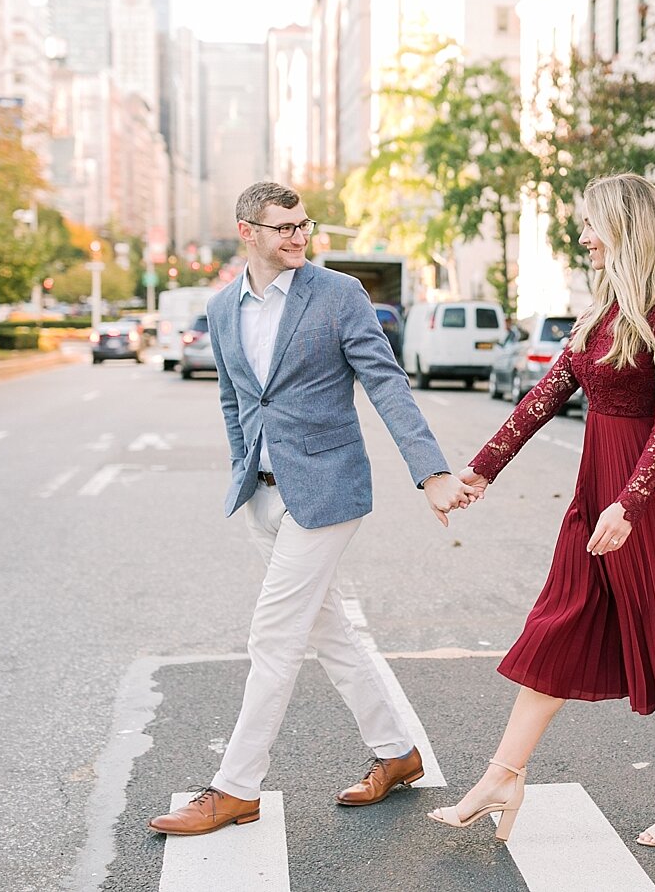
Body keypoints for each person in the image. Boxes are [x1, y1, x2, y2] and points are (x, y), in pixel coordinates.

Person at [149, 182, 478, 837]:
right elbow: (235, 401)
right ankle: (398, 752)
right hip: (263, 496)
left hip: (327, 490)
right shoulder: (220, 309)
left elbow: (385, 381)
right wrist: (244, 470)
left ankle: (235, 787)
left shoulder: (338, 295)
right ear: (248, 232)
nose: (299, 236)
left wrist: (432, 471)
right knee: (327, 631)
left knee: (273, 633)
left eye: (304, 225)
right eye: (283, 228)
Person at [428, 173, 655, 848]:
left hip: (642, 503)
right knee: (556, 625)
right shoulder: (600, 311)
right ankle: (502, 776)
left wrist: (630, 501)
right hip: (594, 497)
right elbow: (545, 394)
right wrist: (479, 469)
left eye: (592, 225)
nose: (584, 237)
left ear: (625, 229)